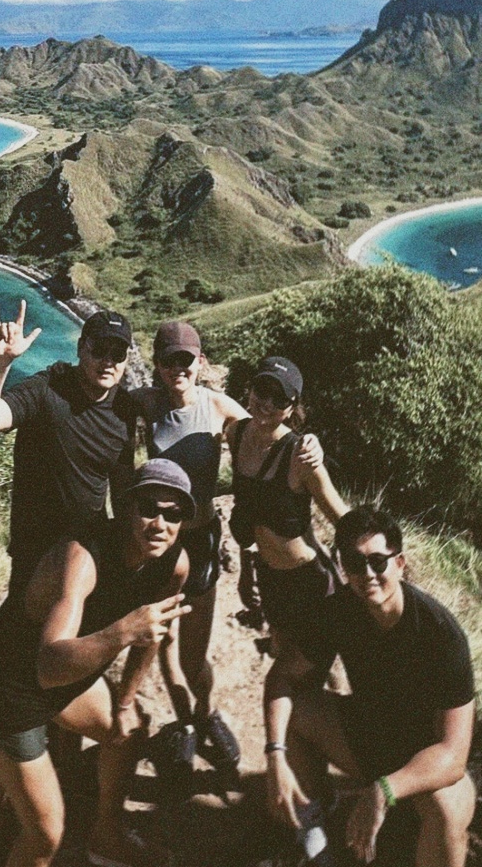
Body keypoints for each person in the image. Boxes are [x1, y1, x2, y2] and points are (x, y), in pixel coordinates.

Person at [0, 460, 197, 867]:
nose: (160, 524)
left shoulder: (174, 565)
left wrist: (125, 702)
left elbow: (150, 636)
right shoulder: (82, 558)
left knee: (128, 731)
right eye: (148, 509)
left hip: (65, 678)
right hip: (5, 686)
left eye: (173, 514)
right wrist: (122, 632)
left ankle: (106, 837)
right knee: (45, 837)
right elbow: (48, 666)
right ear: (127, 509)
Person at [129, 327, 324, 778]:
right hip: (159, 542)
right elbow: (98, 399)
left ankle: (206, 710)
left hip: (200, 539)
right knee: (161, 638)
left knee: (192, 654)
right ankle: (185, 722)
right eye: (169, 360)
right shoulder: (145, 402)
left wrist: (308, 443)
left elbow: (269, 429)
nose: (178, 369)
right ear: (157, 364)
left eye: (186, 360)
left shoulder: (218, 407)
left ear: (200, 362)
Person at [264, 504, 476, 867]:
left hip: (424, 758)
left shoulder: (439, 633)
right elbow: (283, 677)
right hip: (370, 736)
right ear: (343, 567)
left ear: (400, 563)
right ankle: (313, 836)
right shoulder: (338, 610)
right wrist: (275, 755)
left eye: (378, 562)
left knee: (447, 809)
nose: (367, 574)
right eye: (354, 562)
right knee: (294, 710)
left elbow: (453, 755)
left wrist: (385, 789)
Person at [0, 300, 136, 593]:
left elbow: (122, 487)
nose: (108, 361)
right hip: (35, 551)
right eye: (99, 350)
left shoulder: (124, 408)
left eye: (117, 353)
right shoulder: (47, 388)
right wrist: (0, 364)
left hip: (89, 549)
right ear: (81, 348)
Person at [228, 354, 348, 667]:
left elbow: (342, 518)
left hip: (309, 582)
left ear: (292, 408)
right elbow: (246, 508)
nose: (267, 403)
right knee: (283, 658)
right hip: (269, 578)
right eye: (263, 390)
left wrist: (378, 567)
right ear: (251, 388)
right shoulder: (236, 435)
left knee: (316, 670)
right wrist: (246, 571)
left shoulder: (301, 456)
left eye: (280, 398)